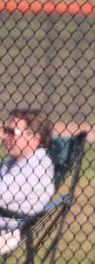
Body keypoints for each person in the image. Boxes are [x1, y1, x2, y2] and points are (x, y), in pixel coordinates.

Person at [0, 109, 55, 255]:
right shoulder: (15, 163)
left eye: (12, 132)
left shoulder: (35, 169)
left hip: (8, 231)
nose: (5, 137)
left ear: (34, 138)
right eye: (5, 131)